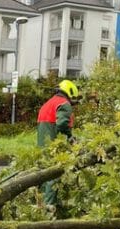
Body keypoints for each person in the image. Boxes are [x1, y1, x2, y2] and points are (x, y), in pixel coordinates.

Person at [36, 79, 79, 210]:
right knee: (53, 176)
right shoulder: (64, 104)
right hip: (55, 147)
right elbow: (62, 124)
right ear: (70, 92)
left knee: (41, 177)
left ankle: (40, 207)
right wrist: (71, 138)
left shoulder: (47, 104)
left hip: (42, 146)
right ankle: (50, 208)